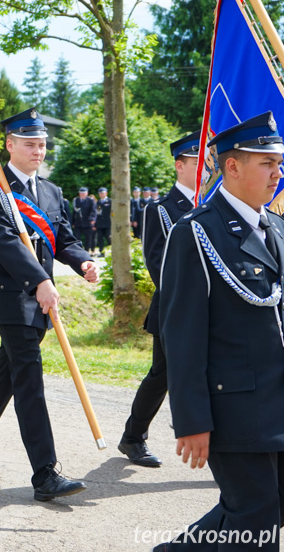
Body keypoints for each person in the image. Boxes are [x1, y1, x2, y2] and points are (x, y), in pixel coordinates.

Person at [0, 107, 99, 501]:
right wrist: (39, 280)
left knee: (9, 373)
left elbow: (64, 238)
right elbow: (1, 242)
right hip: (12, 297)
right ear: (10, 145)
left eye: (42, 144)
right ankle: (45, 474)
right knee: (30, 380)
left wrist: (83, 260)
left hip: (41, 296)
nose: (38, 150)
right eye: (30, 144)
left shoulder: (51, 191)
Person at [156, 112, 284, 551]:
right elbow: (182, 336)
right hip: (236, 409)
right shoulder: (196, 233)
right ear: (232, 166)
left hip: (278, 402)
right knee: (257, 518)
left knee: (263, 508)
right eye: (267, 163)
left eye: (279, 163)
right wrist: (191, 421)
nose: (278, 173)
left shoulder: (277, 228)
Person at [119, 130, 200, 469]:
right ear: (179, 166)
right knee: (162, 375)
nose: (205, 169)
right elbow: (156, 262)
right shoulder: (162, 209)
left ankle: (224, 446)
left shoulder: (213, 205)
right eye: (197, 163)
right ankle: (133, 437)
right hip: (175, 308)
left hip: (213, 308)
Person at [72, 186, 96, 251]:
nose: (82, 194)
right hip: (78, 222)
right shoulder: (76, 200)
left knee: (88, 238)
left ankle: (87, 250)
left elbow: (93, 210)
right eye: (81, 193)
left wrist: (92, 219)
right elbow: (74, 212)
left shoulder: (90, 200)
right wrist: (73, 222)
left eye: (84, 193)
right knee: (77, 237)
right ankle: (79, 249)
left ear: (87, 193)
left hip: (88, 222)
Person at [93, 186, 112, 257]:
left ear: (106, 193)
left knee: (109, 238)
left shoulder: (110, 201)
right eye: (100, 193)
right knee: (100, 239)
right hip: (99, 224)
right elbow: (95, 214)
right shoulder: (97, 202)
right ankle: (102, 252)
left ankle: (111, 252)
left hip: (108, 223)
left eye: (103, 193)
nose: (101, 194)